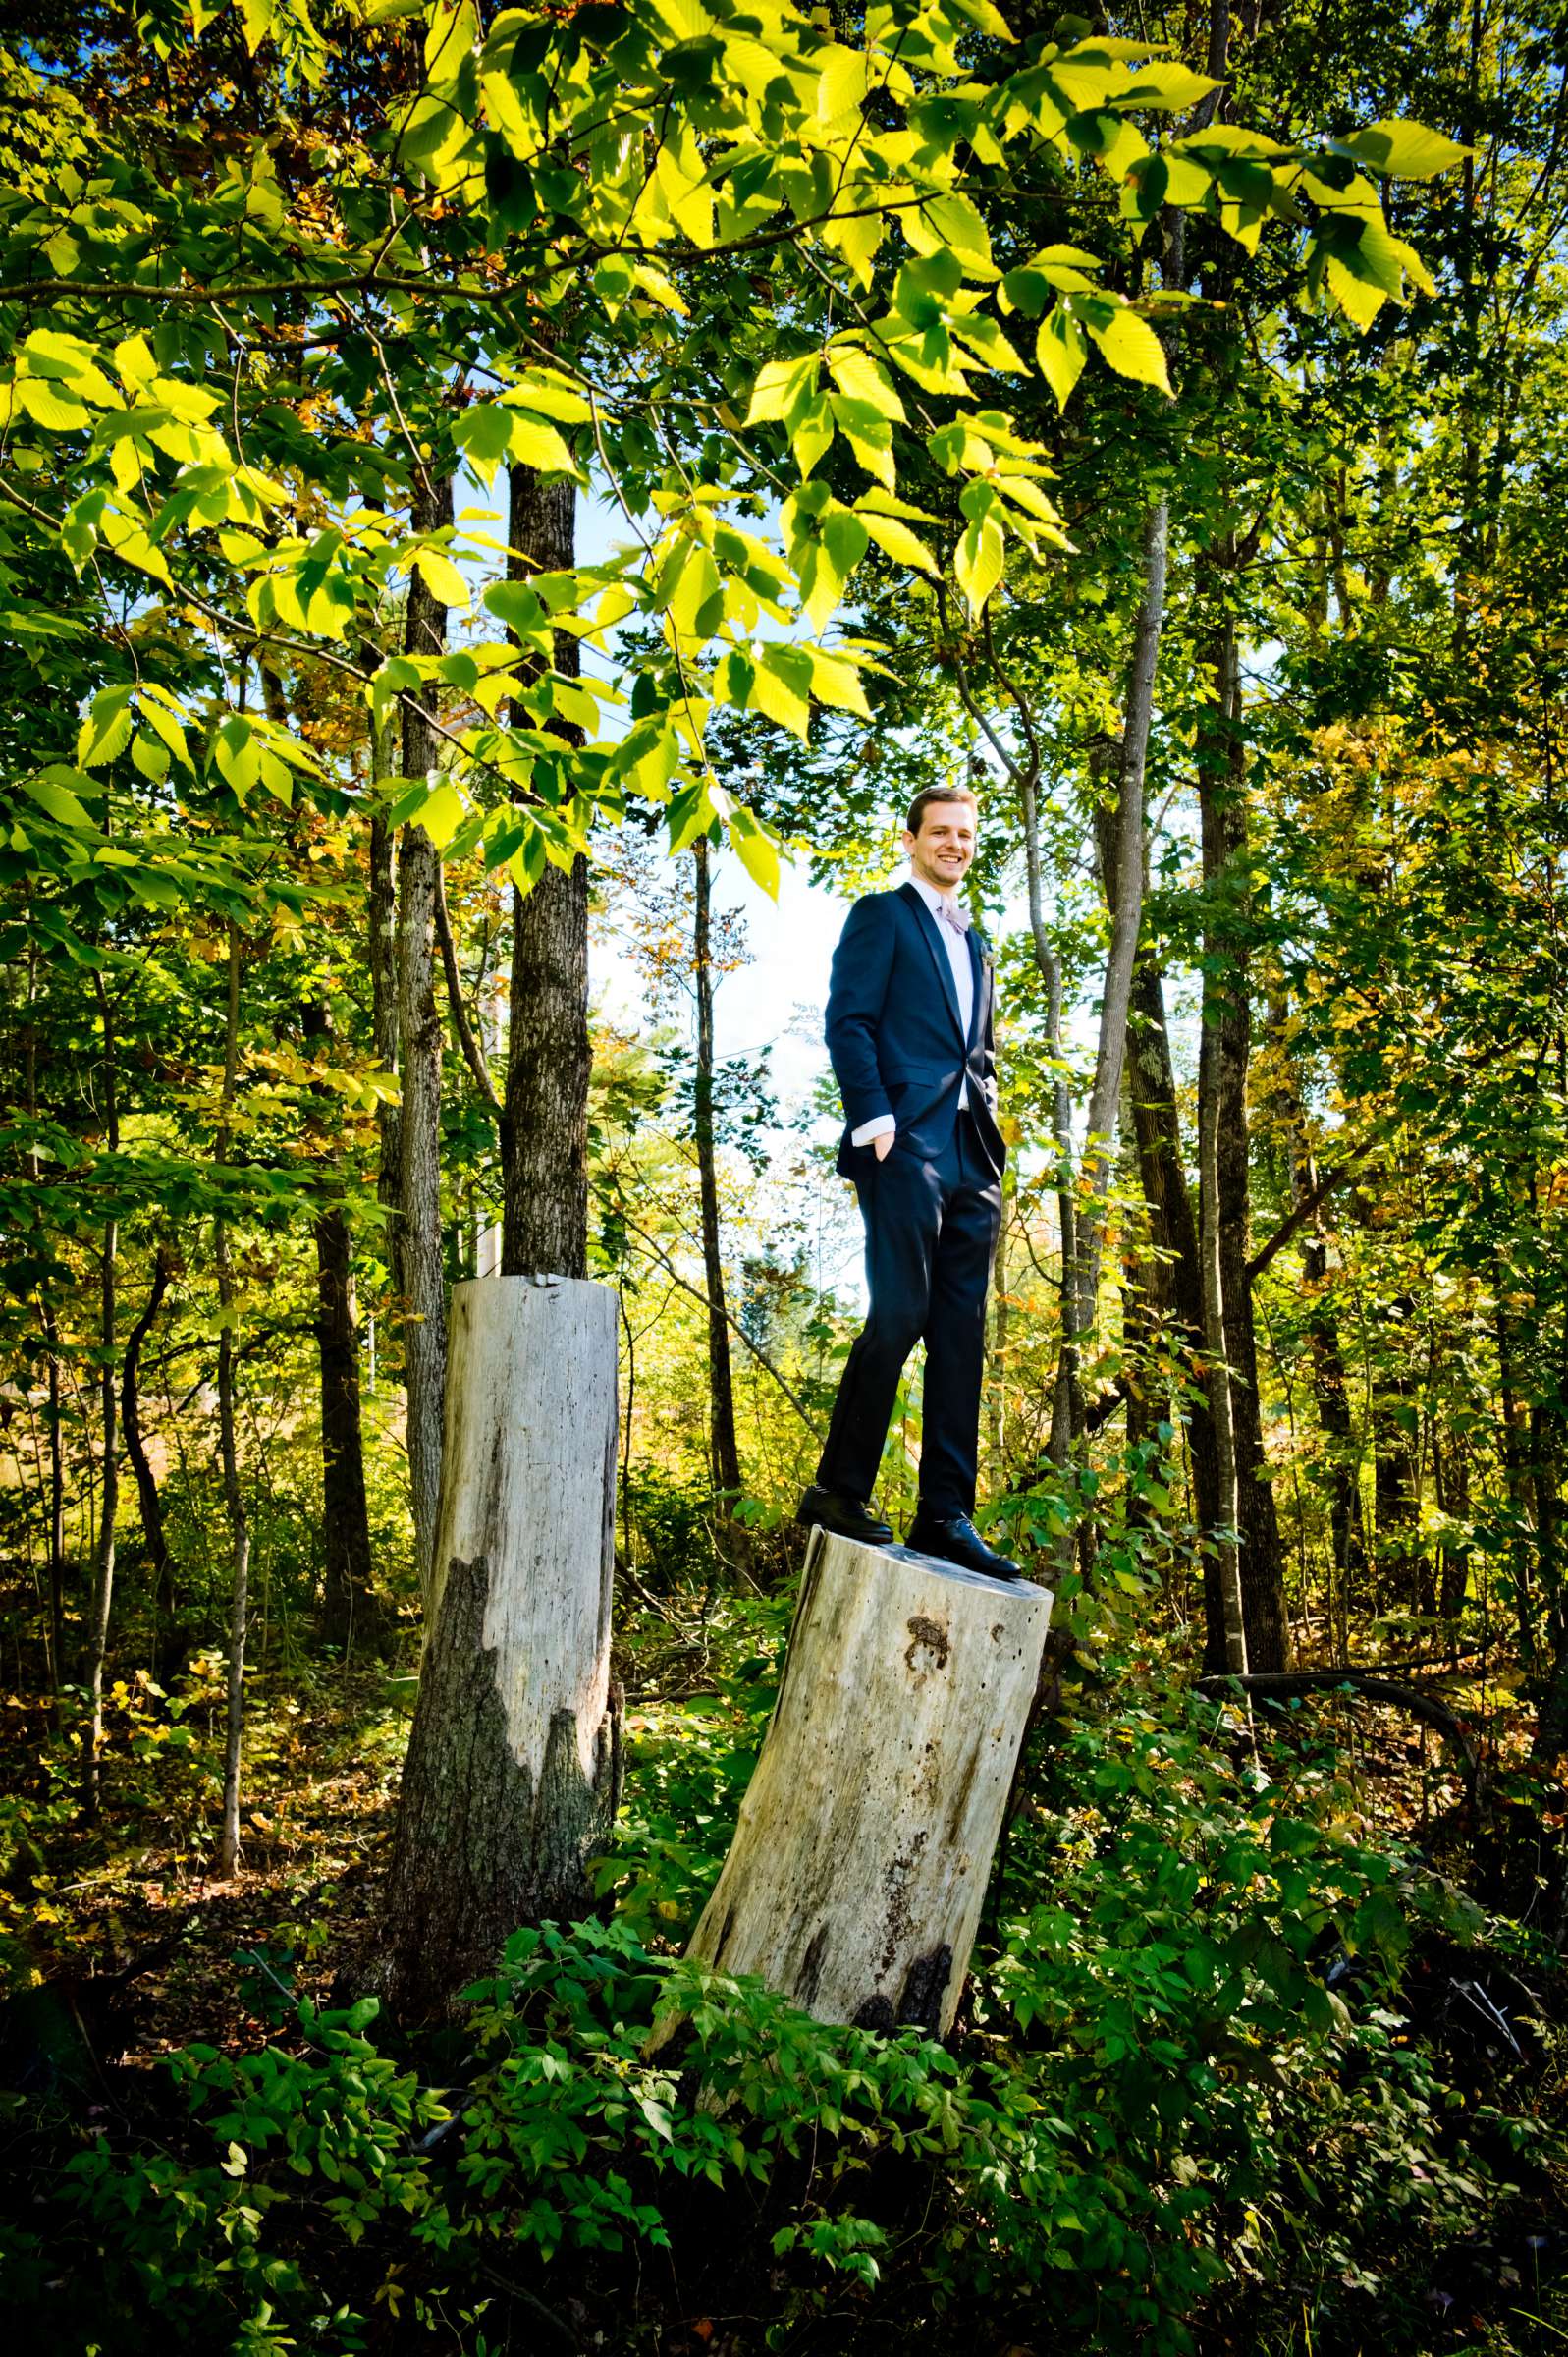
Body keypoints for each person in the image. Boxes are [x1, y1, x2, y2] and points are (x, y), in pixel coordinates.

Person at [797, 785, 1021, 1580]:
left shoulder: (979, 940)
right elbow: (847, 1020)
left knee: (960, 1331)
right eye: (940, 832)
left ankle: (944, 1515)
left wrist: (992, 1125)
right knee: (898, 1310)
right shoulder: (881, 915)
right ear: (911, 839)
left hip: (972, 1148)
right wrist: (876, 1120)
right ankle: (838, 1489)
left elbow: (978, 1050)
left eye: (964, 834)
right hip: (904, 1140)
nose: (954, 844)